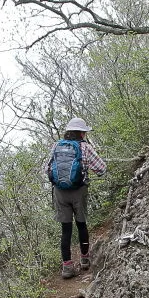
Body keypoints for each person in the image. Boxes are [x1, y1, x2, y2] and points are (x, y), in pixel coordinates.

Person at [45, 117, 107, 278]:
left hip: (59, 192)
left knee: (65, 230)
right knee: (81, 225)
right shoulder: (85, 147)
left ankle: (67, 267)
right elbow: (101, 169)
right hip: (79, 191)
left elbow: (46, 169)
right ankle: (85, 259)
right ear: (81, 133)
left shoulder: (56, 146)